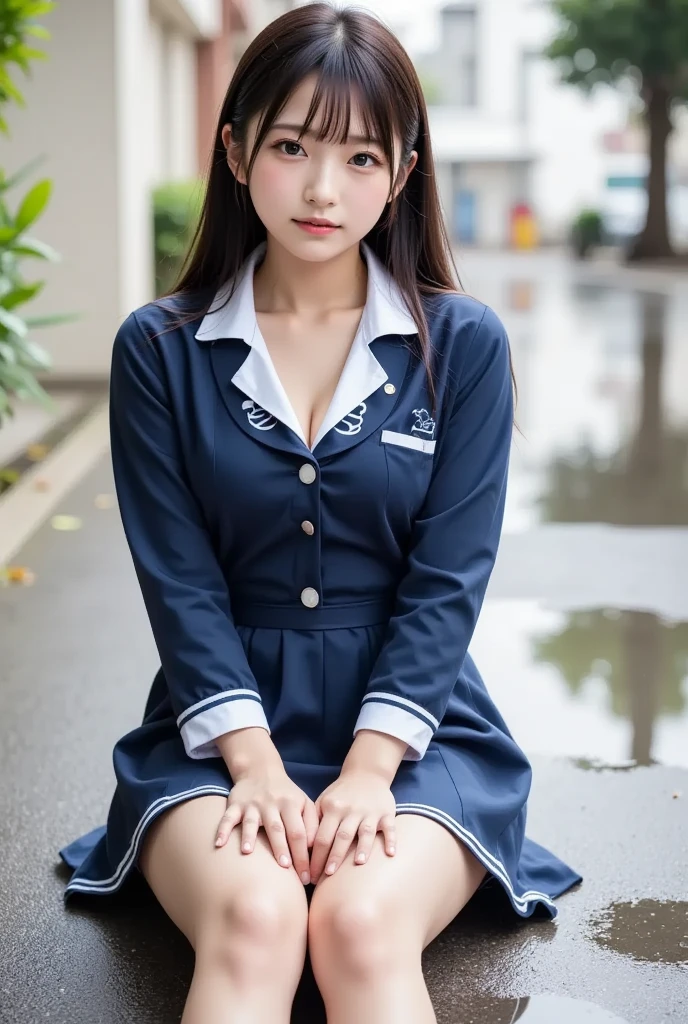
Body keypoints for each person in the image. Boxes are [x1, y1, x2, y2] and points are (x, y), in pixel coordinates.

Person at [58, 4, 582, 1022]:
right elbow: (179, 583)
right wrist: (251, 765)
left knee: (357, 924)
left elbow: (448, 580)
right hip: (218, 730)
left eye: (358, 157)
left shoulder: (458, 344)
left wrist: (371, 767)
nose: (319, 188)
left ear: (402, 171)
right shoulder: (160, 350)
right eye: (292, 146)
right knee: (257, 919)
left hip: (420, 737)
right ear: (236, 148)